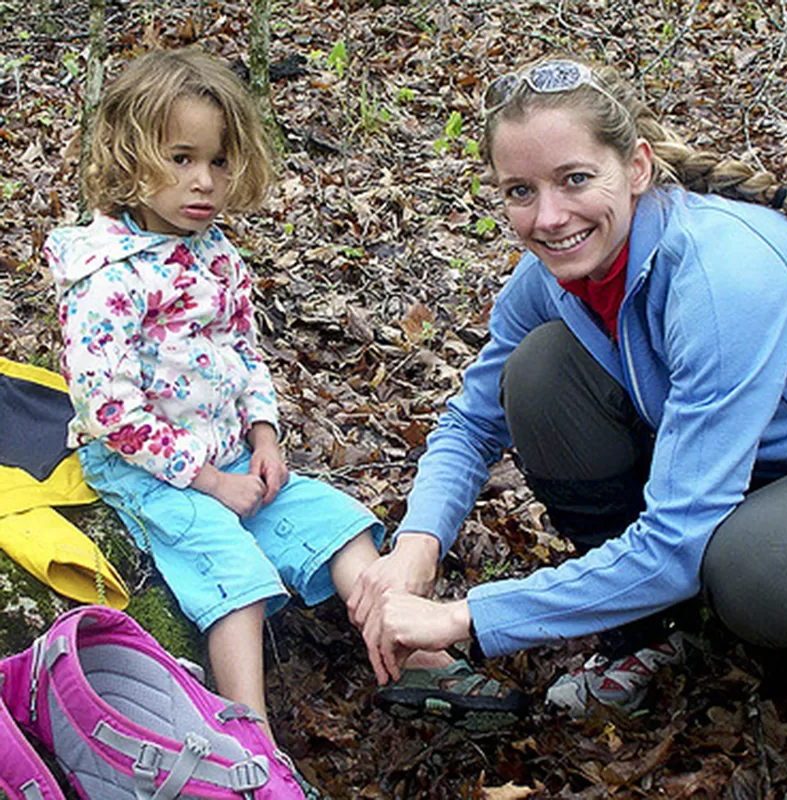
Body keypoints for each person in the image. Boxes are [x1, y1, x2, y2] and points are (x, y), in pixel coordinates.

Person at [43, 48, 525, 797]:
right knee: (233, 575)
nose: (205, 181)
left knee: (340, 521)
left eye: (220, 161)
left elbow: (242, 354)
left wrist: (263, 438)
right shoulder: (107, 277)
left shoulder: (216, 255)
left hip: (232, 452)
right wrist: (208, 482)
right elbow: (107, 409)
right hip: (148, 469)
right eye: (181, 158)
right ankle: (251, 739)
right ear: (130, 158)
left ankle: (408, 647)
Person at [348, 55, 787, 718]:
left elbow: (678, 541)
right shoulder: (553, 279)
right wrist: (417, 544)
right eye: (520, 191)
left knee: (753, 568)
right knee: (538, 372)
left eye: (575, 179)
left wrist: (464, 618)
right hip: (730, 468)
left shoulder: (719, 276)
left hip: (774, 483)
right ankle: (651, 633)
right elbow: (471, 422)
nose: (550, 217)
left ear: (637, 168)